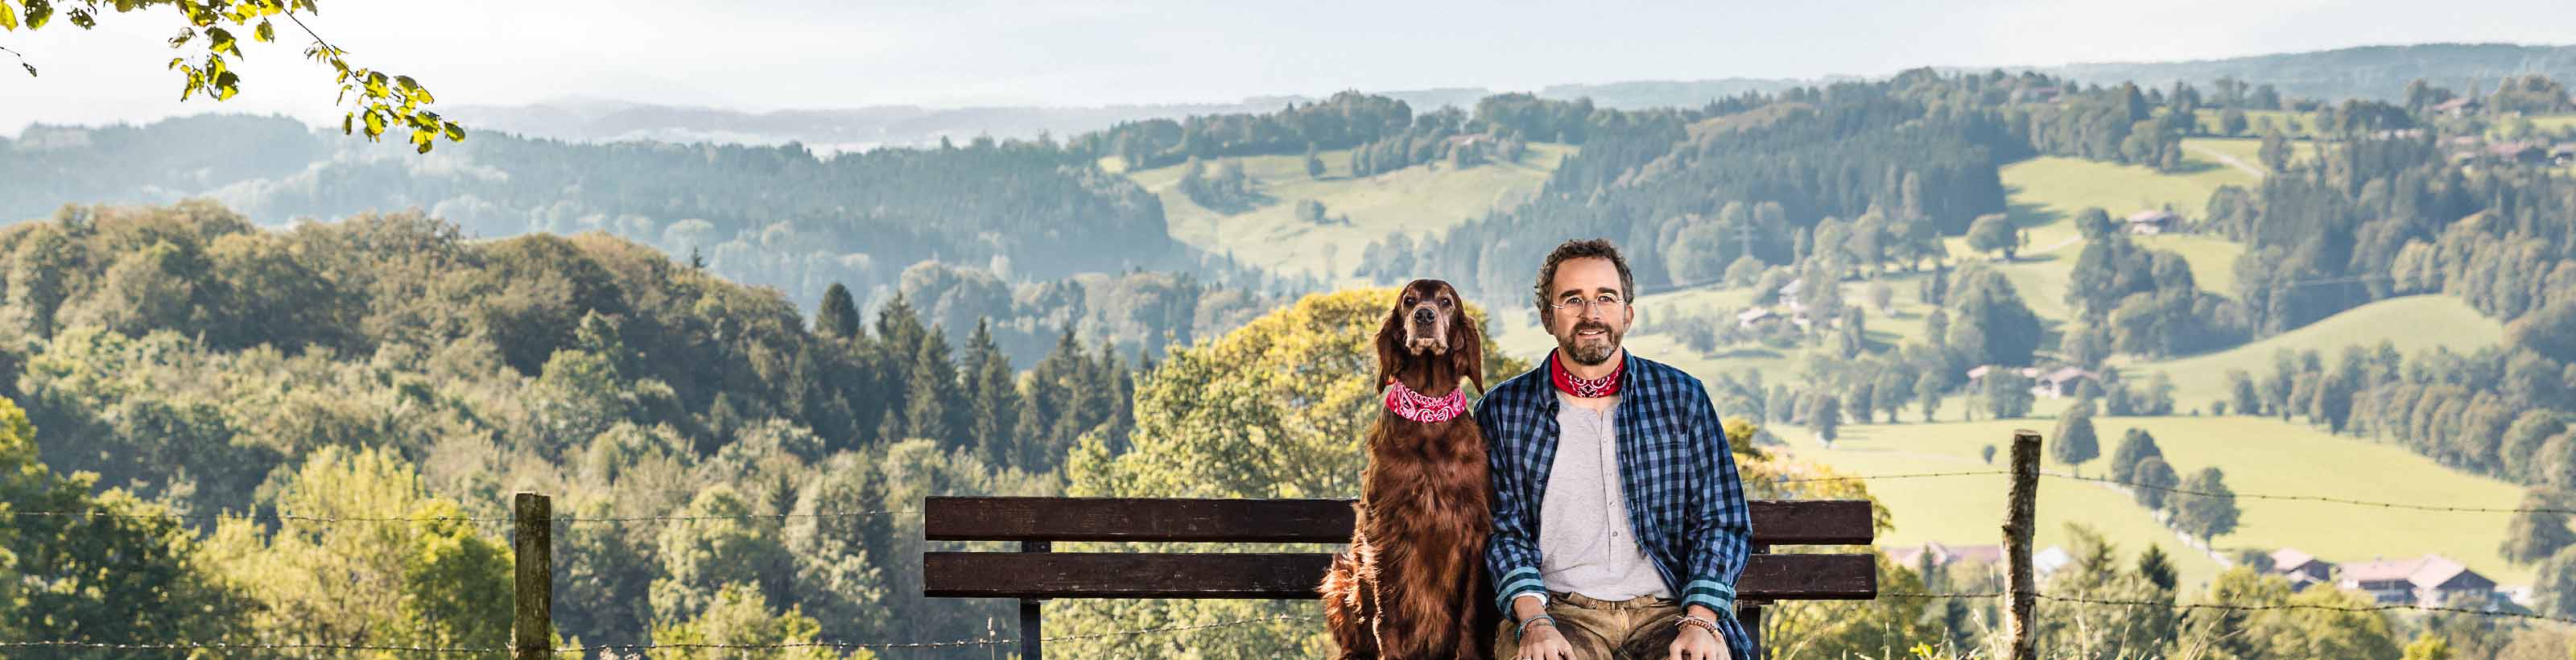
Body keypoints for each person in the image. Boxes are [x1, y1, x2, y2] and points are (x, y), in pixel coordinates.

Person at [1479, 238, 1755, 660]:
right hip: (1560, 613)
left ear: (1627, 313)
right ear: (1546, 318)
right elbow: (1503, 532)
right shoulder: (1504, 411)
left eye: (1605, 298)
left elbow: (1722, 520)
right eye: (1572, 300)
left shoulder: (1681, 398)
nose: (1591, 315)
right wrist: (1533, 622)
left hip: (1670, 612)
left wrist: (1701, 619)